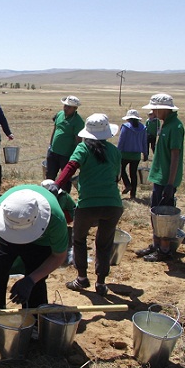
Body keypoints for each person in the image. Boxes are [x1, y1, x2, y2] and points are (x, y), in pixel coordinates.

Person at [0, 185, 68, 315]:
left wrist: (31, 280)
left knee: (36, 280)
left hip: (41, 241)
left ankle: (34, 319)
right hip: (6, 236)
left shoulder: (55, 219)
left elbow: (59, 256)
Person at [52, 114, 123, 296]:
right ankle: (101, 283)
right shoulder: (114, 151)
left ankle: (82, 278)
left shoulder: (83, 148)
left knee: (79, 239)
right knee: (104, 243)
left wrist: (56, 186)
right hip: (113, 205)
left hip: (88, 204)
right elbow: (116, 177)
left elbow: (70, 167)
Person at [136, 93, 185, 262]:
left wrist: (170, 184)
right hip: (160, 177)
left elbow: (175, 156)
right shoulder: (166, 124)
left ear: (165, 109)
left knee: (164, 215)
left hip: (166, 180)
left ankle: (164, 250)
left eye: (155, 108)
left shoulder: (176, 127)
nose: (153, 111)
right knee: (156, 212)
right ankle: (156, 244)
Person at [46, 95, 84, 193]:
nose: (66, 108)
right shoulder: (59, 114)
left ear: (75, 108)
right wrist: (50, 146)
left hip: (66, 155)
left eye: (69, 107)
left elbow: (78, 140)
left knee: (65, 178)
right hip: (53, 152)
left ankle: (64, 199)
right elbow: (55, 130)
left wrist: (75, 155)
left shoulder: (78, 121)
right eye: (65, 106)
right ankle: (48, 196)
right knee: (49, 176)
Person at [117, 109, 148, 199]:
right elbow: (144, 142)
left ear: (128, 119)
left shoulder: (126, 127)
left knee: (121, 170)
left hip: (125, 154)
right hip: (136, 155)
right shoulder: (143, 128)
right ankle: (133, 195)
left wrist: (117, 152)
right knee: (133, 174)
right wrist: (145, 153)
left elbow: (121, 141)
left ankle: (127, 184)